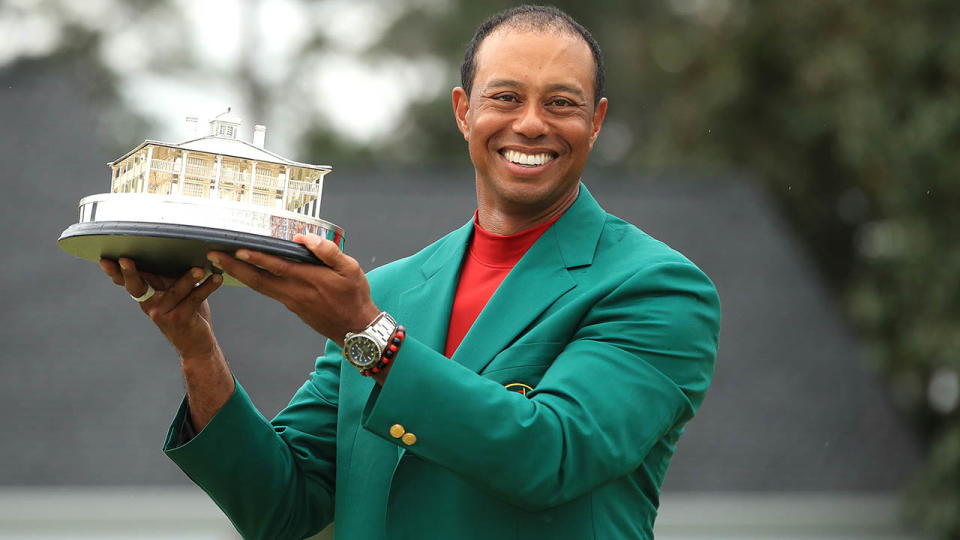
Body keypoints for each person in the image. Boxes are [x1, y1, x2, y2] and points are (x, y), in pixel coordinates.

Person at [100, 6, 720, 539]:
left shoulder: (657, 288)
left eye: (561, 103)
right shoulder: (391, 290)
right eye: (505, 97)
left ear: (597, 121)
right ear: (462, 111)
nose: (531, 122)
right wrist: (196, 348)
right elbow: (282, 509)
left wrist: (366, 334)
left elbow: (550, 455)